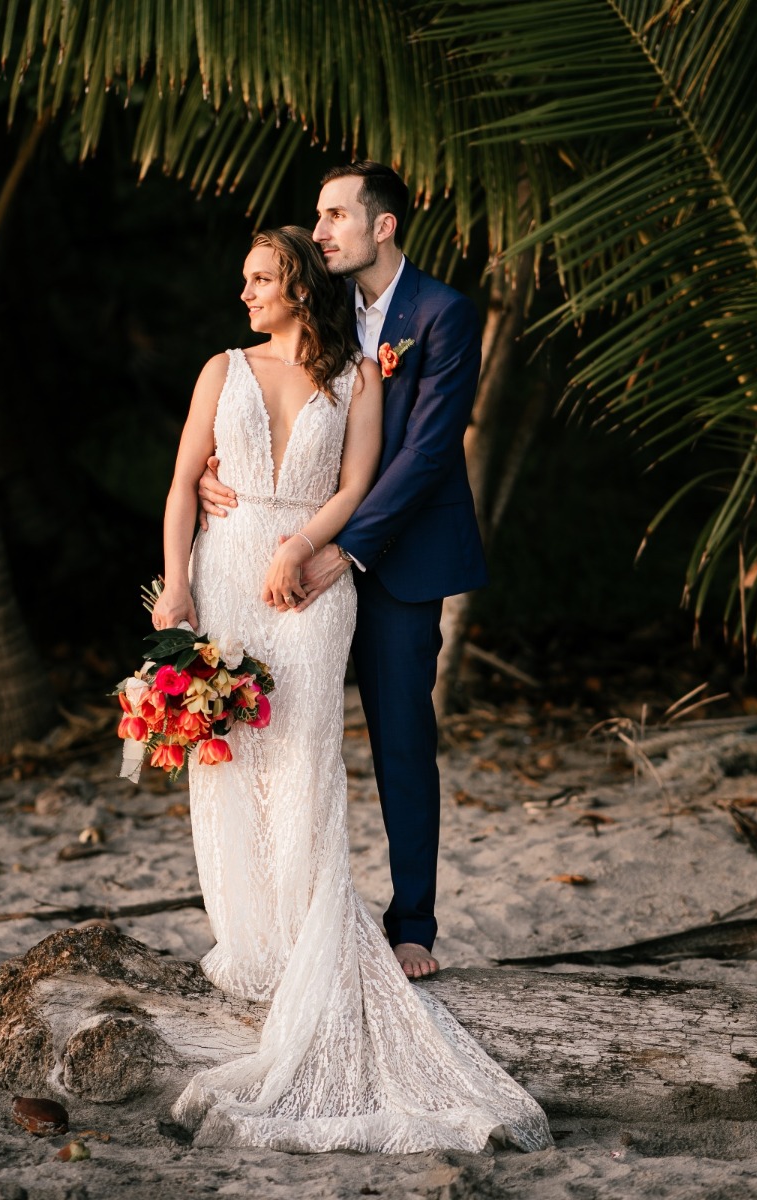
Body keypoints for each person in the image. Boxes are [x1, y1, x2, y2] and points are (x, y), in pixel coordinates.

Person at [152, 225, 551, 1153]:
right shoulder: (222, 368)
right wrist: (175, 580)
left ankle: (314, 937)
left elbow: (360, 480)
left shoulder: (359, 376)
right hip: (225, 573)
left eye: (260, 278)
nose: (245, 291)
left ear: (297, 286)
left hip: (313, 579)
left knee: (302, 759)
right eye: (244, 277)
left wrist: (302, 545)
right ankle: (254, 938)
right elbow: (180, 485)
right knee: (230, 756)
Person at [199, 162, 487, 981]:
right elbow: (273, 406)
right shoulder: (319, 314)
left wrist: (345, 548)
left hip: (390, 555)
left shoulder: (441, 315)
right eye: (316, 219)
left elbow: (429, 451)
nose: (319, 230)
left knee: (401, 737)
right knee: (286, 738)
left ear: (383, 225)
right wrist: (222, 472)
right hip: (291, 552)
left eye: (334, 216)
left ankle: (414, 926)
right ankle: (283, 917)